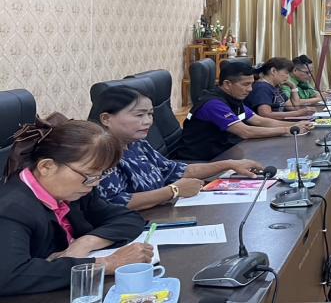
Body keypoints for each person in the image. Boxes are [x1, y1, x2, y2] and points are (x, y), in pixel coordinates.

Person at [0, 114, 151, 295]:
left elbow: (129, 218)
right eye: (90, 175)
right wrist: (108, 263)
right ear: (46, 167)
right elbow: (10, 276)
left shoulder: (76, 191)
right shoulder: (12, 208)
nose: (95, 183)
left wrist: (85, 243)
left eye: (100, 175)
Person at [91, 86, 265, 210]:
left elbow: (175, 170)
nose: (148, 121)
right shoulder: (99, 153)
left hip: (160, 212)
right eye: (139, 115)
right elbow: (114, 202)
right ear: (106, 119)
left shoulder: (137, 144)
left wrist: (229, 164)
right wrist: (173, 191)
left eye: (150, 114)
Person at [175, 61, 314, 161]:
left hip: (225, 151)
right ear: (227, 84)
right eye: (245, 84)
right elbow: (246, 131)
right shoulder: (213, 104)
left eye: (251, 84)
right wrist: (288, 130)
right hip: (203, 160)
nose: (250, 89)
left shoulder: (233, 98)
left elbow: (259, 120)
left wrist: (294, 125)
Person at [247, 57, 314, 120]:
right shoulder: (262, 88)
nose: (288, 77)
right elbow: (265, 114)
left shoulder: (276, 87)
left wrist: (293, 87)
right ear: (273, 71)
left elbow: (295, 107)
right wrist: (298, 113)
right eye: (286, 73)